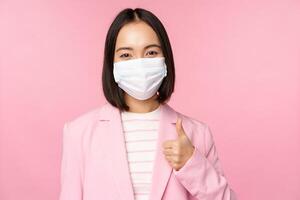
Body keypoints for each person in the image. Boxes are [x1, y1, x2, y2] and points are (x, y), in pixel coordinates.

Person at [59, 7, 237, 200]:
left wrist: (192, 164)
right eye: (126, 55)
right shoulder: (79, 133)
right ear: (113, 66)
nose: (140, 64)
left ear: (165, 61)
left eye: (151, 52)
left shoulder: (197, 134)